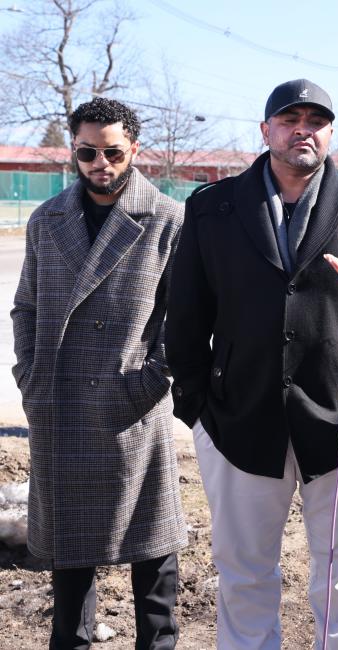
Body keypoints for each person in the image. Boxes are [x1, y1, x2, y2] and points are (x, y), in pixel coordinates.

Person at [165, 79, 338, 650]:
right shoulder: (212, 208)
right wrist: (196, 406)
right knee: (244, 575)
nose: (302, 129)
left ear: (331, 132)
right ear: (266, 131)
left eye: (316, 120)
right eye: (290, 119)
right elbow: (186, 316)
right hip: (239, 418)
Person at [11, 97, 186, 649]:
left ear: (134, 149)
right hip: (61, 410)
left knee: (153, 564)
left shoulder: (166, 219)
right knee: (70, 568)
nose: (100, 163)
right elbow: (26, 308)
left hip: (133, 412)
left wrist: (148, 383)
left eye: (112, 151)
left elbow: (182, 322)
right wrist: (32, 378)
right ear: (74, 151)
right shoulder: (47, 220)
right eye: (87, 152)